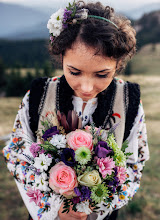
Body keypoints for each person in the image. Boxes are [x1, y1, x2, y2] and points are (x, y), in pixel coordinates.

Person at [3, 1, 150, 220]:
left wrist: (97, 206)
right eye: (74, 72)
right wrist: (53, 208)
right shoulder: (38, 96)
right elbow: (16, 155)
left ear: (117, 65)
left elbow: (133, 164)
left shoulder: (128, 101)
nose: (87, 87)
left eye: (102, 75)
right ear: (61, 57)